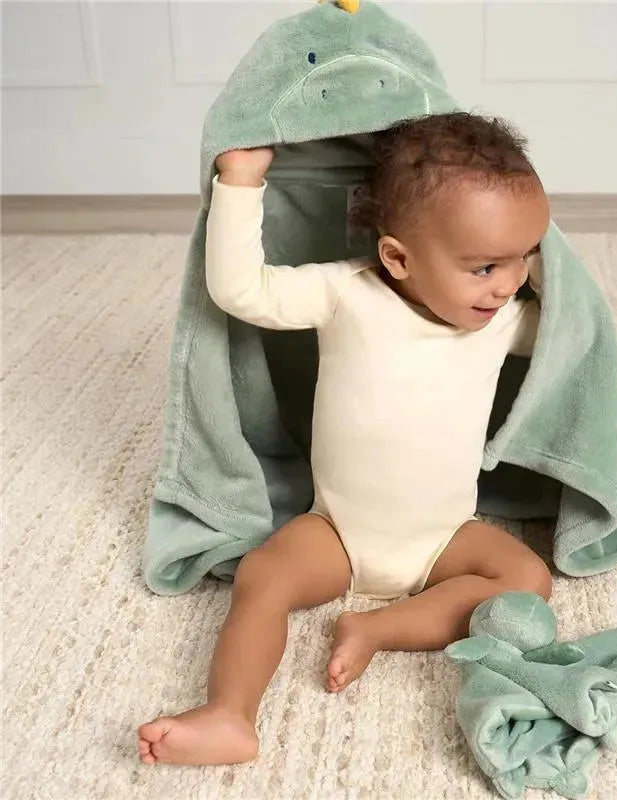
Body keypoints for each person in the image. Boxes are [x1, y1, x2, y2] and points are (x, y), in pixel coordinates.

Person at [138, 112, 553, 766]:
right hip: (337, 530)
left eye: (522, 259)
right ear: (397, 257)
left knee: (527, 578)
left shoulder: (504, 320)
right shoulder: (344, 293)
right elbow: (241, 289)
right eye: (483, 267)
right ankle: (229, 713)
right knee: (263, 576)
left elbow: (575, 337)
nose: (507, 283)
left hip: (445, 534)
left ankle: (380, 628)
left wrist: (555, 274)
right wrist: (240, 183)